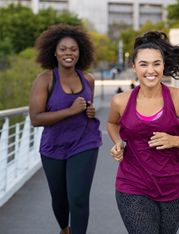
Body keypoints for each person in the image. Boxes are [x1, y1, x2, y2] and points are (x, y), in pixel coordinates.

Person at [106, 31, 179, 234]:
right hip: (132, 184)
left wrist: (174, 140)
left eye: (156, 64)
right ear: (134, 67)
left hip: (174, 186)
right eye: (143, 64)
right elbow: (111, 123)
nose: (150, 70)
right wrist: (119, 142)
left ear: (163, 66)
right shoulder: (121, 101)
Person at [29, 24, 102, 234]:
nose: (68, 53)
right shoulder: (45, 80)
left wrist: (90, 111)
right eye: (63, 49)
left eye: (73, 49)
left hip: (85, 142)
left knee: (78, 198)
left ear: (80, 52)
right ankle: (64, 229)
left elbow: (87, 107)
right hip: (54, 146)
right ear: (54, 51)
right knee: (60, 199)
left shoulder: (87, 79)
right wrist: (70, 111)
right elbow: (36, 118)